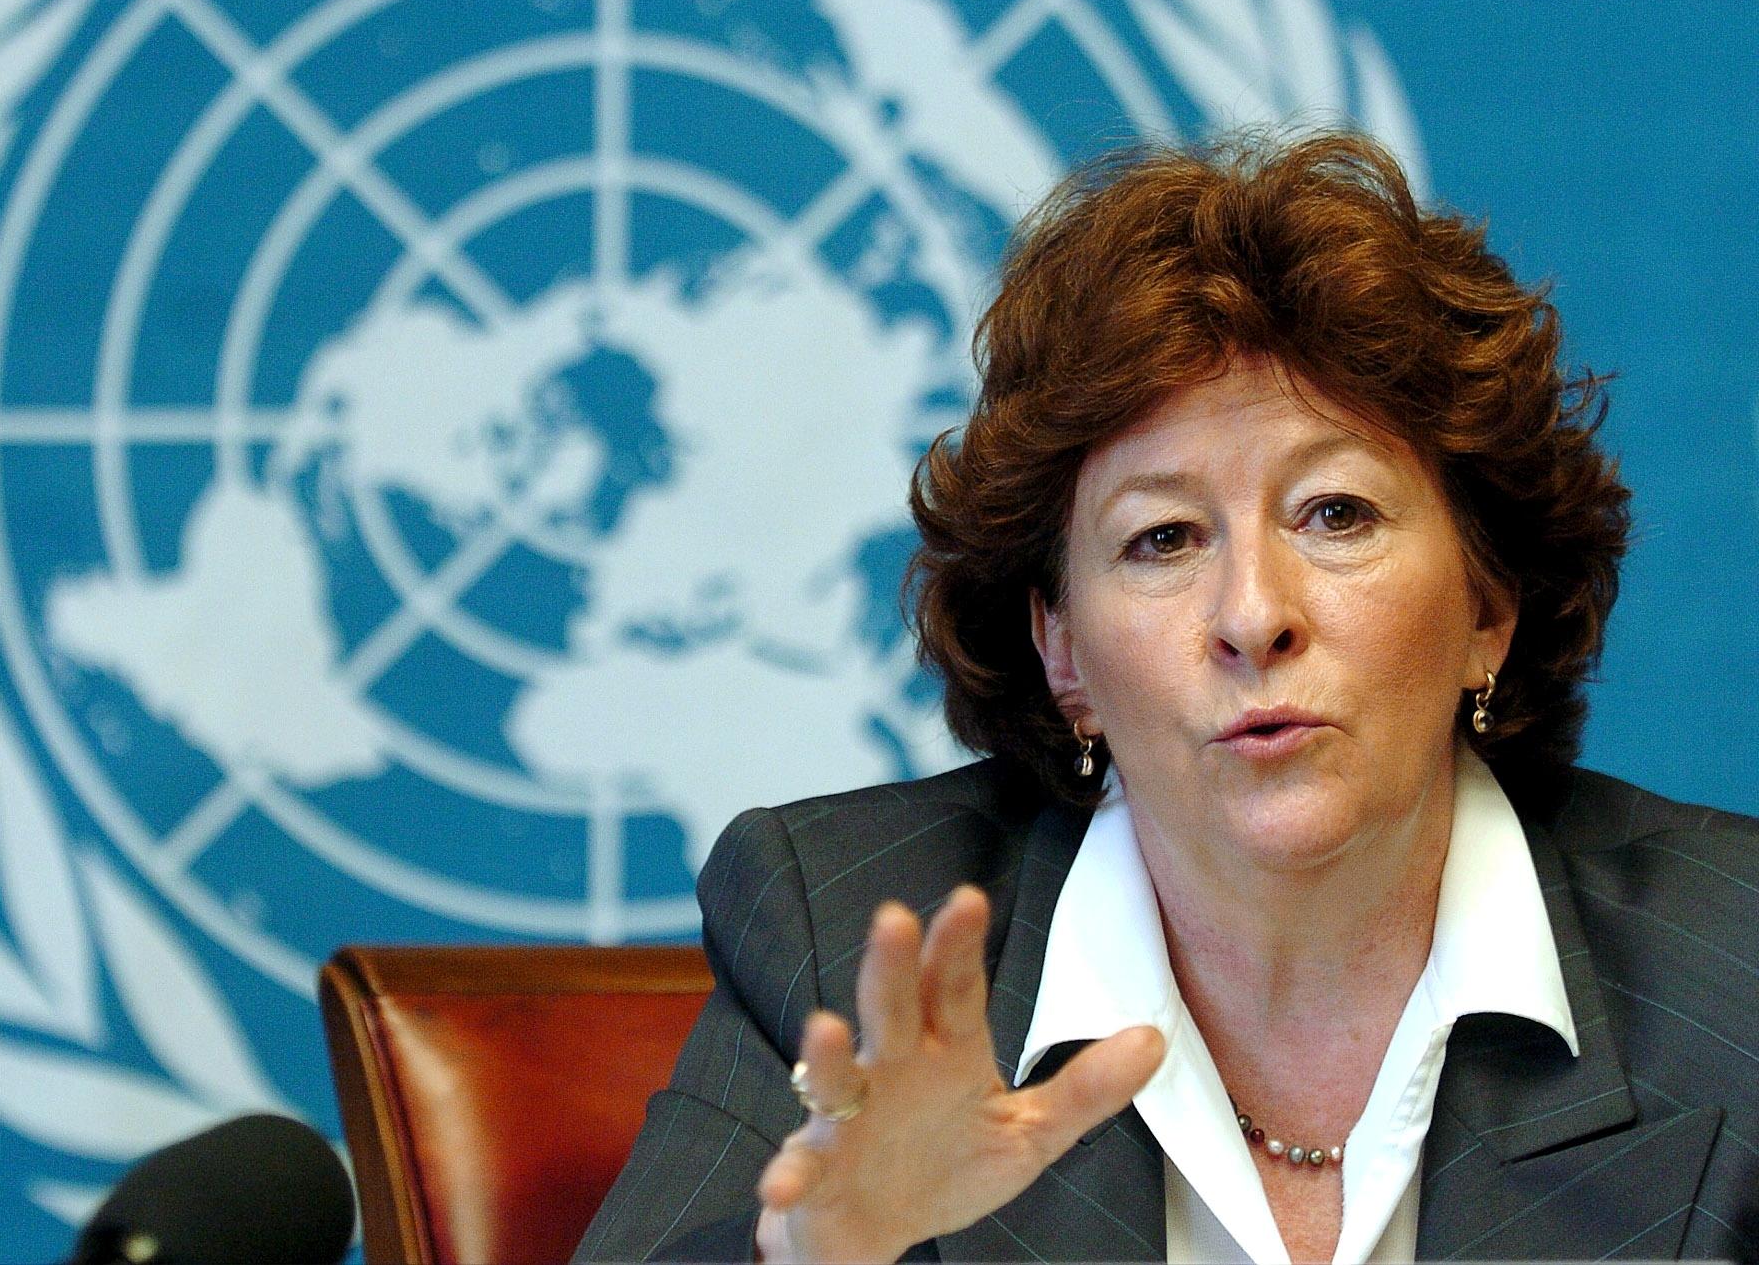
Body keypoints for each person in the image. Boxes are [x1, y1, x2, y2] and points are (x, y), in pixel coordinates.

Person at [574, 132, 1758, 1263]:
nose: (1252, 613)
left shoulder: (1735, 967)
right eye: (1162, 538)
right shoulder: (843, 936)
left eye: (1333, 513)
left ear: (1487, 606)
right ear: (1062, 653)